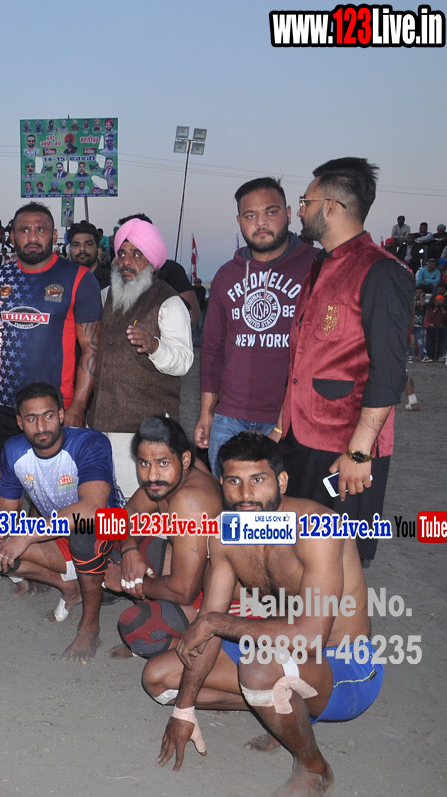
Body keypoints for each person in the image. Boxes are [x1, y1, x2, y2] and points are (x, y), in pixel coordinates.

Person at [148, 432, 381, 797]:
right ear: (221, 483)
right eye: (233, 481)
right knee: (158, 679)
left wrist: (214, 623)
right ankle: (284, 712)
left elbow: (310, 638)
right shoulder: (225, 534)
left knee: (258, 669)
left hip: (344, 667)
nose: (245, 494)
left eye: (257, 480)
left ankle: (314, 767)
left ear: (281, 481)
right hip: (281, 651)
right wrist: (184, 710)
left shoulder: (318, 527)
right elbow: (210, 622)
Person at [272, 157, 414, 566]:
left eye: (306, 201)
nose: (299, 210)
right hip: (302, 436)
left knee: (337, 560)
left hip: (345, 446)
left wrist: (358, 453)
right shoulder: (320, 265)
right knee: (296, 553)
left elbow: (389, 372)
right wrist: (280, 427)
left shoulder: (381, 272)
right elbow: (303, 362)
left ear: (331, 206)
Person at [0, 382, 116, 659]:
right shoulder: (13, 450)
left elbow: (93, 508)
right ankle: (69, 586)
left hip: (108, 529)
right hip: (54, 533)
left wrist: (27, 535)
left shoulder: (89, 442)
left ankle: (89, 627)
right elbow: (6, 510)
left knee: (84, 538)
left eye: (48, 416)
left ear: (62, 415)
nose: (41, 426)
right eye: (31, 419)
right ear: (20, 422)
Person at [196, 177, 316, 478]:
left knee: (284, 502)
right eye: (250, 216)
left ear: (289, 213)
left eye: (270, 212)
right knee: (229, 500)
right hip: (230, 417)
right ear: (239, 221)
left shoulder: (316, 267)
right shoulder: (226, 276)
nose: (261, 223)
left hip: (293, 418)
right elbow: (213, 350)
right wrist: (207, 414)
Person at [0, 202, 102, 448]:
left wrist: (79, 405)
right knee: (2, 472)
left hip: (54, 408)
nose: (33, 237)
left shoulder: (79, 278)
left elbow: (91, 348)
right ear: (12, 237)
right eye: (24, 230)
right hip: (3, 405)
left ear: (54, 235)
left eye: (41, 229)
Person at [87, 218, 193, 499]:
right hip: (99, 424)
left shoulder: (169, 302)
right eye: (122, 253)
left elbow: (184, 360)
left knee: (139, 504)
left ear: (153, 261)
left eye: (137, 254)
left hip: (144, 431)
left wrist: (154, 346)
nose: (127, 261)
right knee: (101, 502)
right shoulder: (104, 296)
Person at [105, 416, 221, 659]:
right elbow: (128, 514)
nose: (151, 475)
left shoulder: (191, 501)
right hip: (189, 572)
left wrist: (128, 582)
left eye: (162, 463)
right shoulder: (169, 478)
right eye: (144, 463)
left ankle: (207, 649)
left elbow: (185, 592)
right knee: (110, 538)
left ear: (185, 459)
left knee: (136, 627)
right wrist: (129, 551)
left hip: (213, 599)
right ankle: (160, 613)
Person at [67, 220, 109, 289]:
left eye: (88, 244)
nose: (82, 249)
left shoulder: (111, 282)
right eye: (76, 245)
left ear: (98, 248)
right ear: (70, 249)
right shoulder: (60, 281)